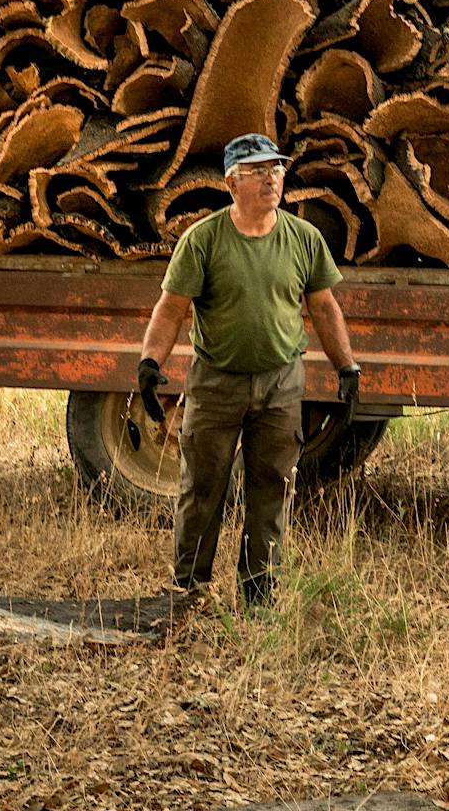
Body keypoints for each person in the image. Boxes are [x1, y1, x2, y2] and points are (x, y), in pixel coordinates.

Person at [136, 133, 361, 606]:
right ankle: (188, 590)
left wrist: (347, 366)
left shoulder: (303, 239)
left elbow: (324, 308)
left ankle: (259, 592)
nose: (271, 179)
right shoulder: (204, 239)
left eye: (277, 169)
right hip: (217, 383)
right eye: (258, 171)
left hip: (281, 383)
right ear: (231, 182)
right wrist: (150, 362)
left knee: (272, 488)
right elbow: (171, 308)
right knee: (203, 487)